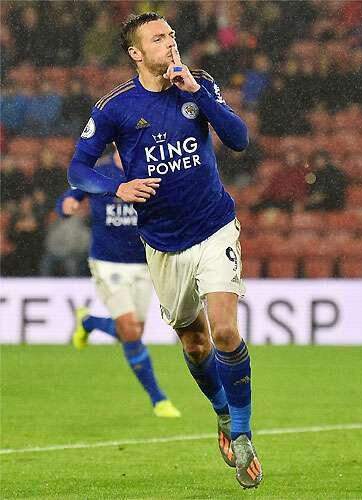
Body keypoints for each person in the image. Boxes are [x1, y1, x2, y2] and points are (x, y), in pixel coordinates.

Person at [66, 12, 261, 489]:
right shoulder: (115, 108)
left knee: (226, 333)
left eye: (172, 34)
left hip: (214, 226)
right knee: (195, 346)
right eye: (158, 38)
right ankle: (220, 413)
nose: (171, 42)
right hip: (164, 244)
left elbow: (239, 139)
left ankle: (241, 432)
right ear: (136, 52)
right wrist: (119, 186)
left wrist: (200, 95)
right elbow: (78, 170)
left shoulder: (199, 85)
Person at [59, 151, 180, 418]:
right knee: (130, 331)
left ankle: (88, 322)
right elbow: (71, 195)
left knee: (134, 330)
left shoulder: (151, 168)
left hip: (144, 263)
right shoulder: (98, 172)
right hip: (108, 262)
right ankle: (158, 398)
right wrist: (67, 204)